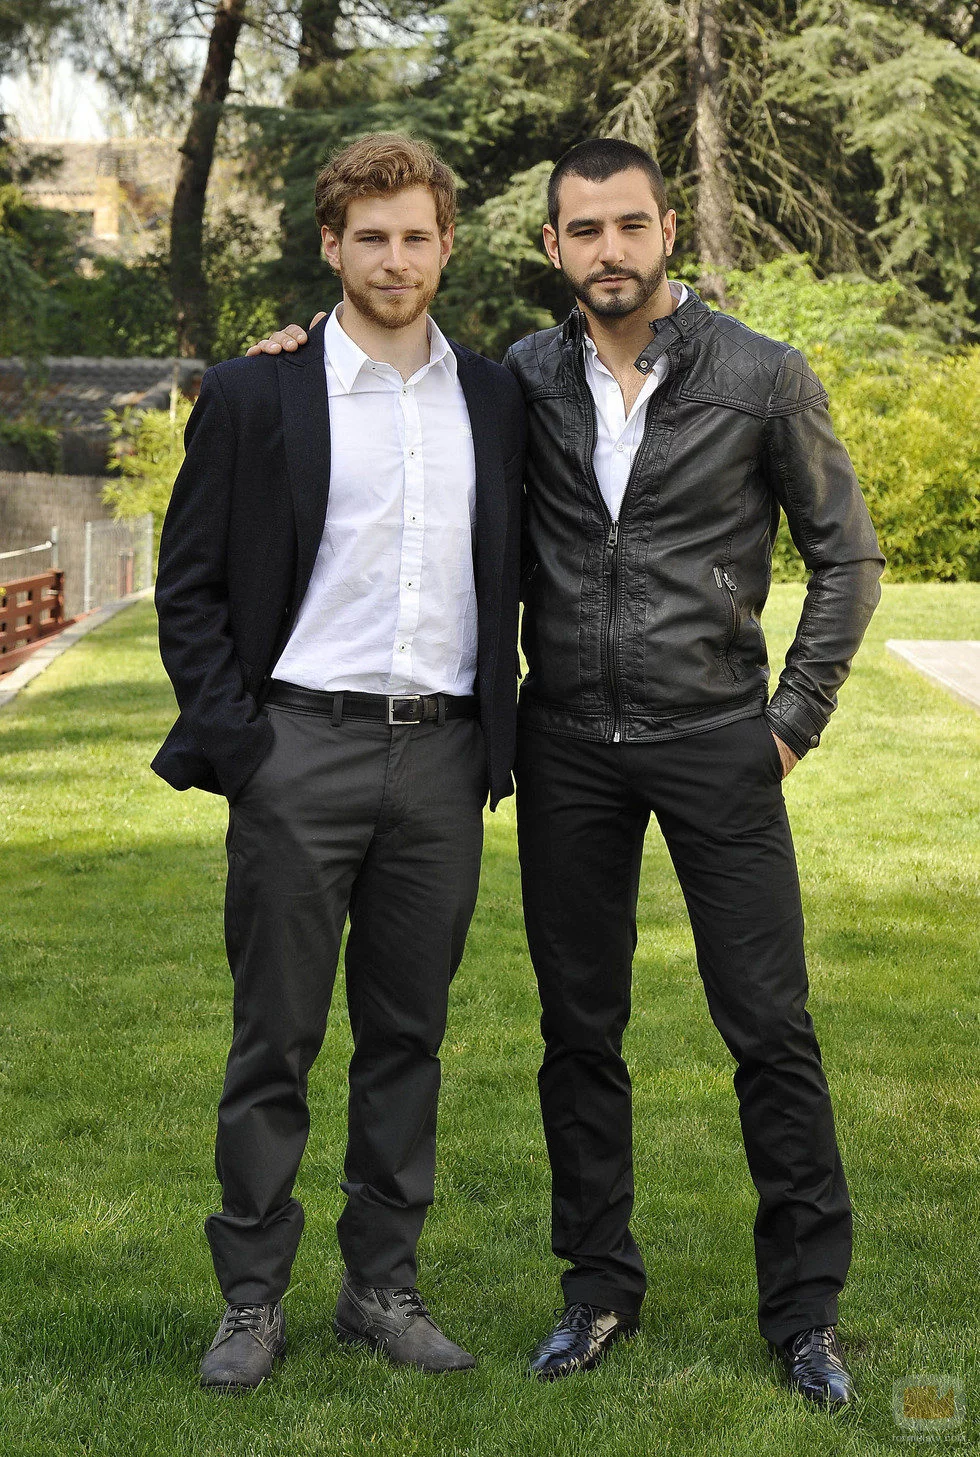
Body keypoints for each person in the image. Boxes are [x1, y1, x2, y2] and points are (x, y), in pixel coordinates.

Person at [248, 137, 884, 1409]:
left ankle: (804, 1311)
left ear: (665, 232)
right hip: (567, 748)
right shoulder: (521, 378)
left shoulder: (761, 375)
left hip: (716, 738)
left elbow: (846, 557)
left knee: (768, 1026)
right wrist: (298, 346)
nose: (608, 250)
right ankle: (595, 1287)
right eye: (582, 230)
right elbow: (382, 371)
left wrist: (789, 722)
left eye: (629, 225)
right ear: (551, 246)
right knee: (578, 1032)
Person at [153, 133, 525, 1389]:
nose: (394, 258)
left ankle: (381, 1286)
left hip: (443, 757)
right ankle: (250, 1298)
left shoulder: (494, 399)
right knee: (275, 1037)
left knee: (406, 1037)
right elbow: (190, 588)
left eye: (416, 236)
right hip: (298, 751)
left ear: (446, 246)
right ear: (330, 245)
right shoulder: (256, 393)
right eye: (371, 237)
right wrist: (245, 748)